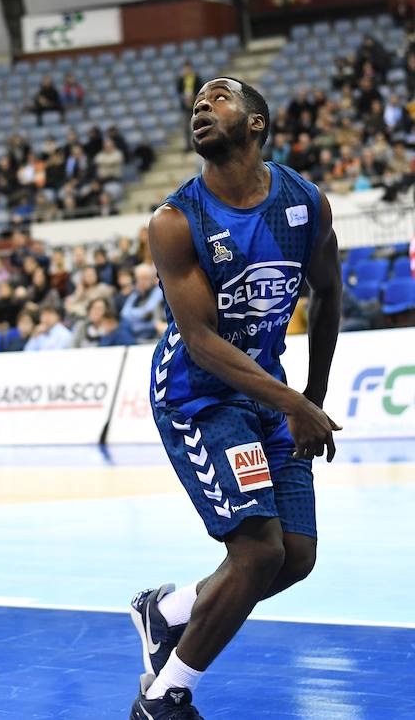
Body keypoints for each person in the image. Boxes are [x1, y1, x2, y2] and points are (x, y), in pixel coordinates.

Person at [129, 77, 342, 719]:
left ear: (255, 123)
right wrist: (294, 403)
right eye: (196, 103)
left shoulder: (304, 202)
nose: (201, 107)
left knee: (296, 557)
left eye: (218, 99)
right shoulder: (175, 219)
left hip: (270, 395)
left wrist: (312, 396)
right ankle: (168, 695)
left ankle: (166, 611)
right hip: (199, 397)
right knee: (256, 551)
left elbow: (329, 296)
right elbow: (198, 339)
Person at [177, 63, 203, 151]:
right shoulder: (181, 80)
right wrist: (184, 98)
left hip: (195, 106)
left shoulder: (196, 78)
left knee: (196, 125)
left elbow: (201, 90)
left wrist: (193, 96)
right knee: (185, 127)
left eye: (188, 69)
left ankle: (198, 142)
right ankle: (188, 145)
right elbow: (179, 91)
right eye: (185, 69)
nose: (186, 71)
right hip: (185, 107)